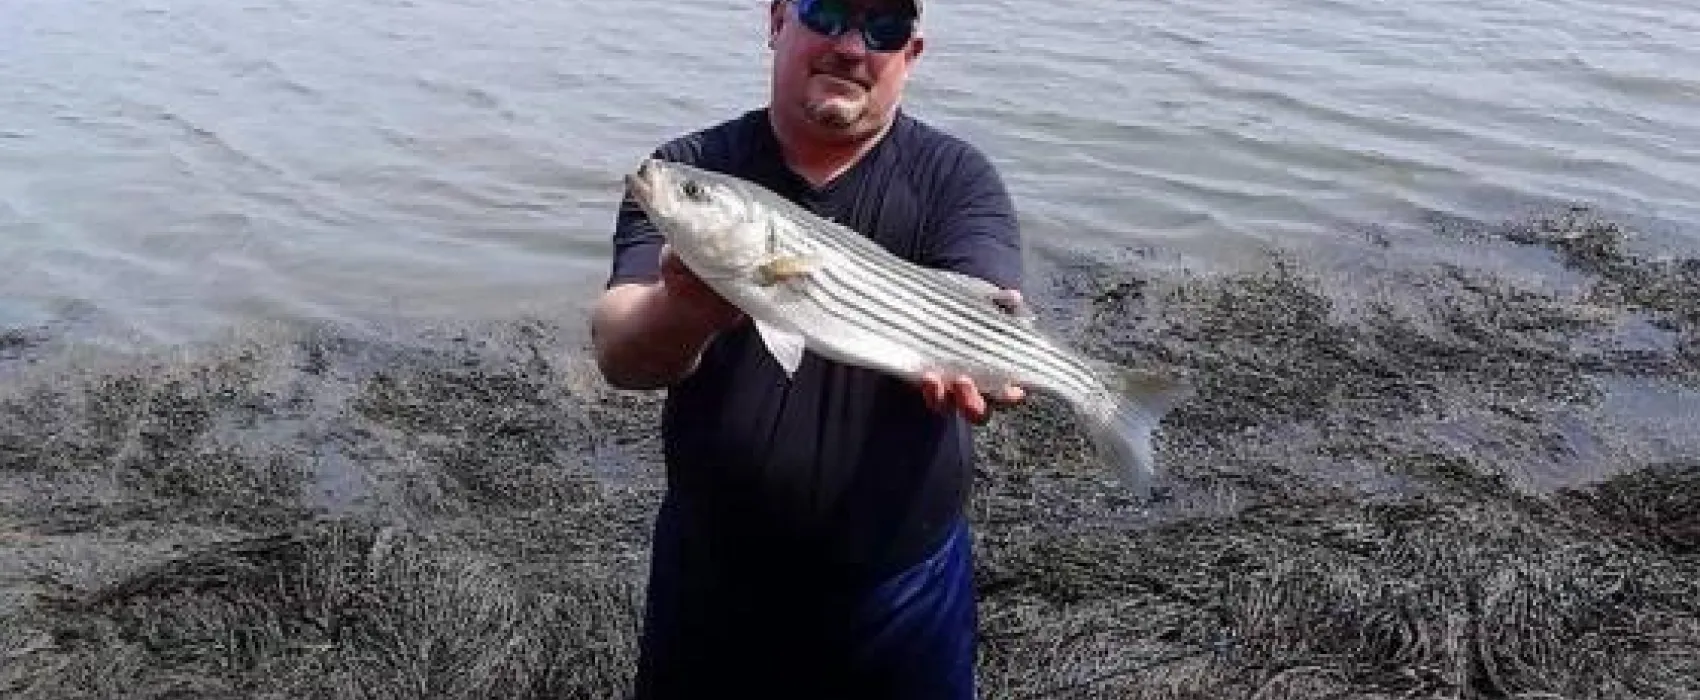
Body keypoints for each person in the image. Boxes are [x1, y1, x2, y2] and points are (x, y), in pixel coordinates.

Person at [590, 0, 1026, 697]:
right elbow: (619, 352)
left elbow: (986, 297)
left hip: (903, 595)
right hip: (710, 583)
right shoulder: (689, 166)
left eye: (884, 28)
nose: (851, 46)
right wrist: (687, 307)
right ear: (776, 21)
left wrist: (985, 351)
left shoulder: (955, 177)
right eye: (826, 11)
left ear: (910, 55)